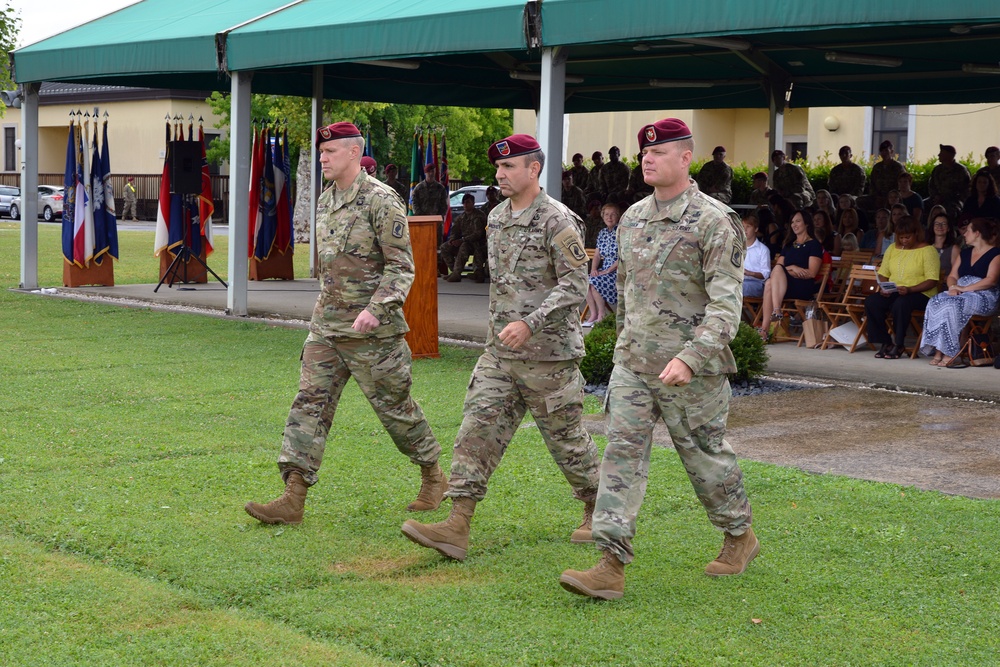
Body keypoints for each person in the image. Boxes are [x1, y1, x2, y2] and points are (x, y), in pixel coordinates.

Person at [559, 118, 755, 601]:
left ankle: (738, 534)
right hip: (634, 365)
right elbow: (628, 295)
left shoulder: (714, 221)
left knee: (704, 459)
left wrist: (691, 357)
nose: (648, 158)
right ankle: (609, 562)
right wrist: (620, 346)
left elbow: (727, 306)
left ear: (686, 158)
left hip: (693, 371)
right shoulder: (632, 218)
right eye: (645, 152)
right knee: (621, 457)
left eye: (660, 152)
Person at [401, 133, 600, 562]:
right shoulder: (495, 218)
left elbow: (575, 283)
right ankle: (457, 523)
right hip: (500, 353)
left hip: (548, 356)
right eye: (498, 167)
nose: (500, 174)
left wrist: (530, 324)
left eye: (509, 167)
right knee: (477, 429)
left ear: (534, 170)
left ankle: (597, 505)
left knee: (567, 443)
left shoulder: (557, 220)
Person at [245, 122, 446, 526]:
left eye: (330, 152)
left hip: (373, 333)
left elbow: (402, 267)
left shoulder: (381, 200)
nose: (322, 158)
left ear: (353, 153)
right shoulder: (325, 200)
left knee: (396, 411)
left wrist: (375, 309)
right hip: (327, 327)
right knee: (309, 404)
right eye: (321, 153)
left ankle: (433, 475)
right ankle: (293, 496)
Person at [920, 217, 1000, 366]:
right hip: (960, 292)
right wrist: (952, 287)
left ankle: (950, 351)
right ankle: (939, 349)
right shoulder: (964, 253)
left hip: (984, 295)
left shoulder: (996, 254)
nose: (964, 234)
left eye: (967, 231)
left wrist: (963, 289)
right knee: (935, 301)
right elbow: (952, 276)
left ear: (977, 233)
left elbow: (991, 280)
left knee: (952, 306)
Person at [863, 215, 940, 360]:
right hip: (896, 290)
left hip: (921, 293)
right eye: (901, 237)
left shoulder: (928, 250)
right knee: (872, 302)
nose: (904, 240)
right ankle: (886, 342)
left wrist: (910, 289)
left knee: (901, 303)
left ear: (916, 234)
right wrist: (885, 287)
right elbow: (883, 273)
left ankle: (899, 343)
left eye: (908, 237)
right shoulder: (892, 248)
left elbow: (932, 281)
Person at [759, 208, 824, 339]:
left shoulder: (814, 245)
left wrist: (787, 271)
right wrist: (794, 268)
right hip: (784, 287)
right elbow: (779, 267)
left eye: (798, 221)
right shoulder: (788, 245)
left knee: (771, 281)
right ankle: (771, 320)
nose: (794, 224)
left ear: (806, 223)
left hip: (802, 287)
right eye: (792, 222)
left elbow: (811, 273)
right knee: (771, 281)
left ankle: (768, 324)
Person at [583, 202, 621, 325]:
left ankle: (601, 313)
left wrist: (608, 270)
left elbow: (622, 257)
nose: (609, 217)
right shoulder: (602, 233)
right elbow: (597, 255)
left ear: (618, 216)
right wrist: (594, 269)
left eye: (613, 215)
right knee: (586, 280)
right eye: (607, 214)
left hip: (617, 272)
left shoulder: (622, 232)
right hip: (604, 271)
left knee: (594, 282)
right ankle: (593, 314)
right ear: (602, 216)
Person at [440, 193, 488, 283]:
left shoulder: (479, 215)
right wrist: (452, 240)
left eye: (468, 202)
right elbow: (455, 230)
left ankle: (459, 275)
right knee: (444, 247)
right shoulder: (462, 217)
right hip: (465, 241)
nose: (465, 204)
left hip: (479, 243)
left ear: (473, 203)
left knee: (464, 246)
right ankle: (455, 271)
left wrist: (462, 240)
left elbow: (478, 234)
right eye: (464, 203)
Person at [411, 162, 450, 260]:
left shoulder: (440, 188)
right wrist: (421, 217)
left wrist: (439, 217)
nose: (431, 174)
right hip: (422, 222)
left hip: (436, 224)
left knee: (436, 246)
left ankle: (436, 268)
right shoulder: (419, 188)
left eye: (433, 171)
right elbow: (414, 203)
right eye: (429, 172)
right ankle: (423, 267)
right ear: (425, 173)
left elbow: (444, 206)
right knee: (422, 245)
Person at [927, 144, 971, 220]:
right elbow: (931, 186)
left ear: (949, 155)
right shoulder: (937, 170)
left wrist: (947, 198)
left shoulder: (961, 170)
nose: (938, 155)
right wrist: (936, 196)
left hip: (954, 202)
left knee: (951, 211)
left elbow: (966, 190)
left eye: (941, 152)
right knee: (922, 205)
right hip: (937, 200)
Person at [865, 140, 906, 211]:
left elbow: (902, 184)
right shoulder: (877, 167)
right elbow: (872, 184)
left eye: (886, 151)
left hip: (893, 197)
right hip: (877, 197)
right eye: (882, 151)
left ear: (891, 151)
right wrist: (876, 196)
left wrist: (890, 196)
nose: (884, 153)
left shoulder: (898, 167)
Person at [742, 212, 771, 298]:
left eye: (748, 226)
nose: (745, 230)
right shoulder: (737, 247)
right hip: (738, 281)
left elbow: (766, 274)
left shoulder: (763, 250)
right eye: (743, 227)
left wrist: (750, 273)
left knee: (736, 288)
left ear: (756, 229)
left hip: (756, 284)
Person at [925, 211, 959, 278]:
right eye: (937, 224)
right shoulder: (926, 247)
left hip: (945, 286)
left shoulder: (954, 249)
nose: (940, 226)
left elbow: (956, 275)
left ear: (948, 228)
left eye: (943, 224)